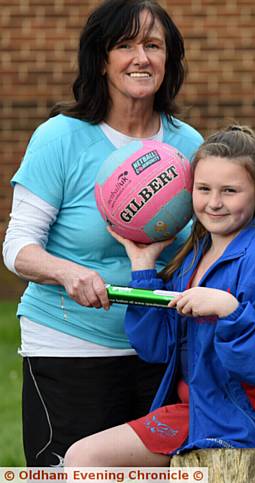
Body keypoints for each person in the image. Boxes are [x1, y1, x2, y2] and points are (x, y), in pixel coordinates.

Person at [1, 0, 203, 466]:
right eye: (125, 45)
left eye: (153, 45)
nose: (141, 58)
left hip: (160, 350)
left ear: (168, 59)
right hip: (69, 346)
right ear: (100, 60)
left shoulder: (188, 145)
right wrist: (68, 272)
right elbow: (18, 247)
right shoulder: (60, 137)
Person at [64, 126, 255, 466]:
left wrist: (230, 311)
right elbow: (156, 347)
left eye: (230, 191)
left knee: (86, 459)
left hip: (232, 420)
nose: (214, 202)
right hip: (190, 411)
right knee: (83, 457)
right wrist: (143, 268)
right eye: (203, 189)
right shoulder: (192, 256)